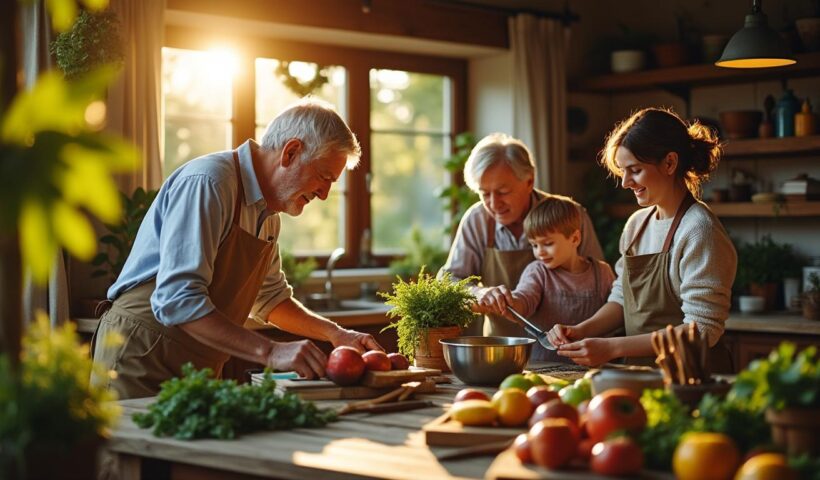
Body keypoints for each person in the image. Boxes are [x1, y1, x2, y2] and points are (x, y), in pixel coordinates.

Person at [91, 99, 381, 400]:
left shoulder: (268, 217)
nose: (324, 194)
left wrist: (336, 334)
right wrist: (270, 351)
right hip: (142, 354)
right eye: (324, 177)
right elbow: (176, 299)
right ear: (291, 152)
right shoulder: (210, 182)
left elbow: (270, 300)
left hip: (198, 364)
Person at [547, 108, 737, 371]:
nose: (625, 182)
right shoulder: (638, 224)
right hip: (641, 373)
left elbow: (702, 330)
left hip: (692, 379)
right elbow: (622, 298)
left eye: (634, 170)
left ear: (669, 163)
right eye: (622, 171)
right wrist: (581, 330)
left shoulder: (699, 230)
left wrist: (612, 347)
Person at [439, 133, 604, 337]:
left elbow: (599, 281)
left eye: (503, 192)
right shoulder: (477, 219)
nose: (493, 203)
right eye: (484, 193)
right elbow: (448, 281)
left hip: (568, 348)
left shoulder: (570, 214)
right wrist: (479, 293)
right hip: (500, 350)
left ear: (529, 181)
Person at [474, 195, 615, 361]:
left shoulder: (602, 272)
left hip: (591, 369)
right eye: (534, 245)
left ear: (575, 238)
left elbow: (616, 315)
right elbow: (524, 300)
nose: (539, 252)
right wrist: (510, 302)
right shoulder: (537, 272)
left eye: (548, 244)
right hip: (544, 369)